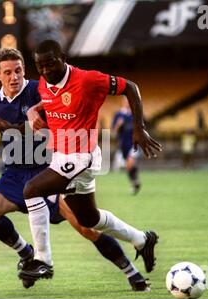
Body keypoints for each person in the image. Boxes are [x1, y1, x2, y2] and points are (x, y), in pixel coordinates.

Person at [0, 47, 151, 291]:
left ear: (25, 69)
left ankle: (132, 273)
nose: (14, 77)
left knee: (86, 226)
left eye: (18, 70)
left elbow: (66, 109)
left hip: (49, 170)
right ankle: (26, 253)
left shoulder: (41, 88)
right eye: (8, 73)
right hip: (14, 174)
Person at [21, 40, 162, 283]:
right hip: (62, 155)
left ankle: (43, 261)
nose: (45, 71)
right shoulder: (46, 82)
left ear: (63, 57)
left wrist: (139, 128)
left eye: (50, 64)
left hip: (82, 156)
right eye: (40, 66)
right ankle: (142, 239)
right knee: (89, 219)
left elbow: (131, 87)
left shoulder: (87, 80)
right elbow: (49, 100)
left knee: (32, 190)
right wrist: (32, 112)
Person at [112, 97, 142, 194]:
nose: (128, 103)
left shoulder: (136, 114)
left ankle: (135, 182)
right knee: (128, 166)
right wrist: (118, 125)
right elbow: (113, 133)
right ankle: (135, 182)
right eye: (126, 101)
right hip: (123, 145)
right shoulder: (118, 114)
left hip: (134, 144)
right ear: (122, 102)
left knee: (130, 161)